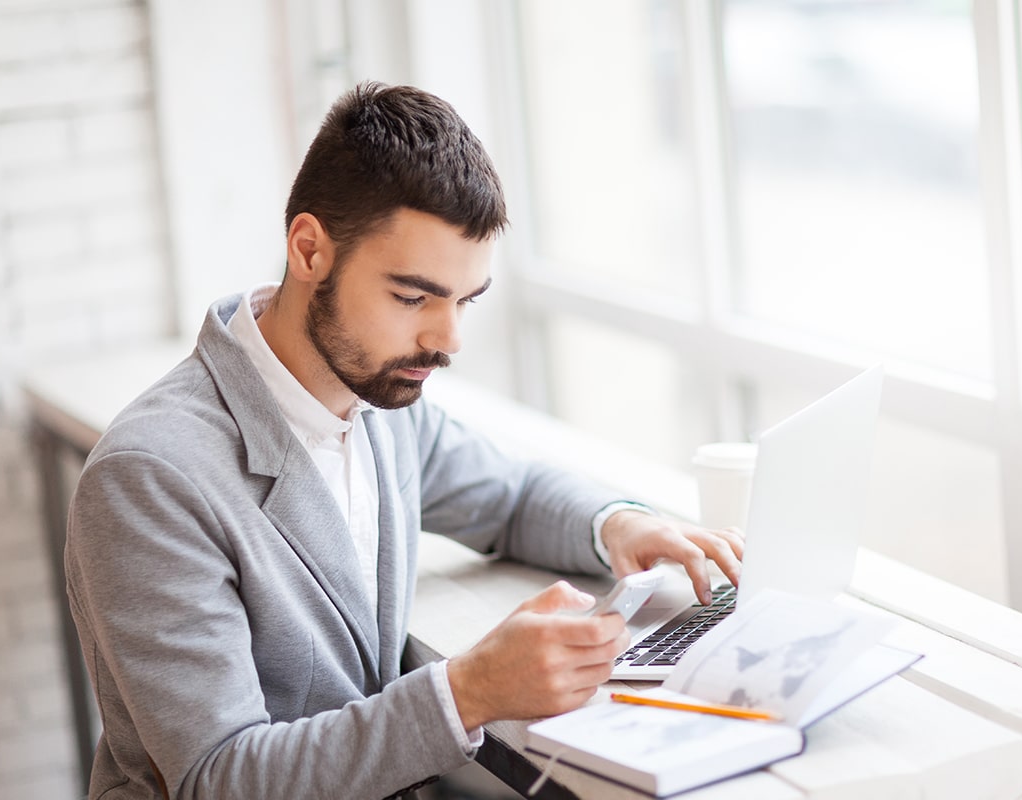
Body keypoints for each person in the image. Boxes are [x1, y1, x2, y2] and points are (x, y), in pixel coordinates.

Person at [64, 82, 743, 799]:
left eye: (464, 301)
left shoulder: (381, 396)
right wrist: (469, 690)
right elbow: (221, 778)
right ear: (309, 250)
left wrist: (621, 525)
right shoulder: (149, 478)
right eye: (413, 297)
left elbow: (509, 496)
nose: (446, 340)